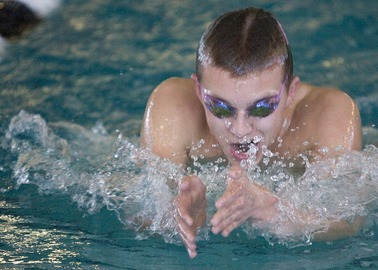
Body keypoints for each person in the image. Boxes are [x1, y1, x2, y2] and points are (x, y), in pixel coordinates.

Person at [140, 7, 362, 258]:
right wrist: (180, 215)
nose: (240, 129)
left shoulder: (329, 114)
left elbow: (347, 220)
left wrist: (276, 213)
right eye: (221, 108)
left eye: (262, 107)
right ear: (198, 91)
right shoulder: (173, 107)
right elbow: (139, 211)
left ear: (290, 93)